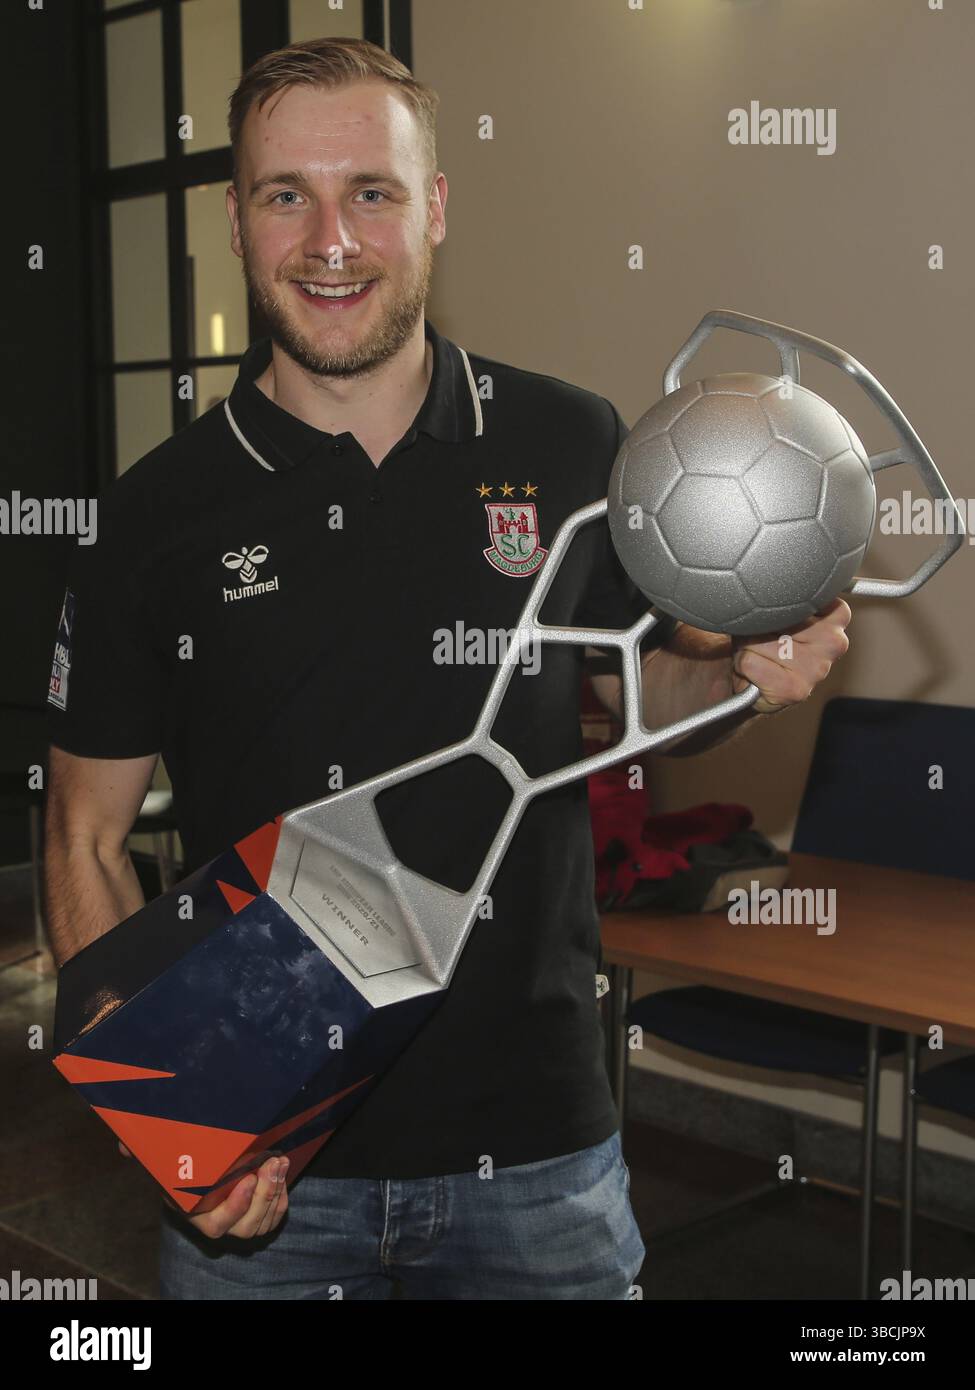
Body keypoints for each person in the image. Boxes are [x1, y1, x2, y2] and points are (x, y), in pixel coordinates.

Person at [43, 37, 850, 1300]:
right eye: (283, 195)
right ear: (238, 222)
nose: (330, 238)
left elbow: (650, 703)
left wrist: (752, 670)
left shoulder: (572, 442)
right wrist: (169, 1117)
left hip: (538, 1153)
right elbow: (83, 840)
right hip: (264, 1164)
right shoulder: (154, 517)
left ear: (433, 209)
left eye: (371, 190)